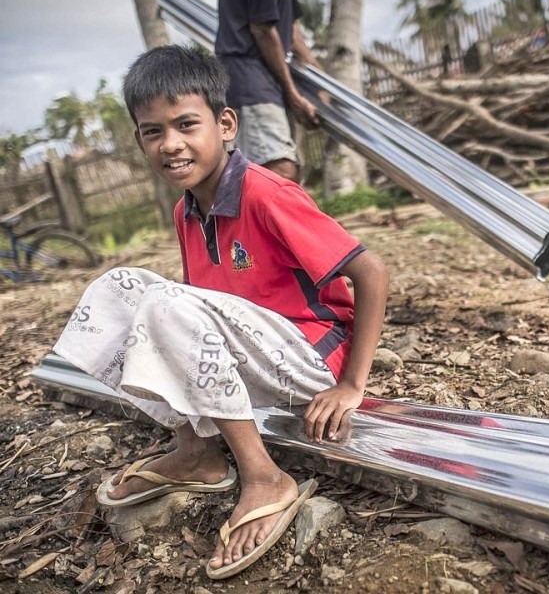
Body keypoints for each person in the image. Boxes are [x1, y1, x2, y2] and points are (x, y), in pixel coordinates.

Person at [51, 44, 389, 580]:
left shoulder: (266, 193)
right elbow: (191, 321)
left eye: (186, 124)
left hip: (311, 360)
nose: (171, 144)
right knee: (117, 286)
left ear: (225, 123)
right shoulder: (186, 211)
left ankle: (264, 477)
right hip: (251, 363)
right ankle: (198, 452)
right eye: (152, 131)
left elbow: (371, 273)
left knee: (164, 301)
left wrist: (351, 384)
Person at [215, 0, 324, 182]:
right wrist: (293, 95)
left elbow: (290, 27)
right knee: (278, 170)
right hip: (250, 81)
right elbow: (262, 29)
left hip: (269, 81)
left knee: (288, 171)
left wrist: (320, 81)